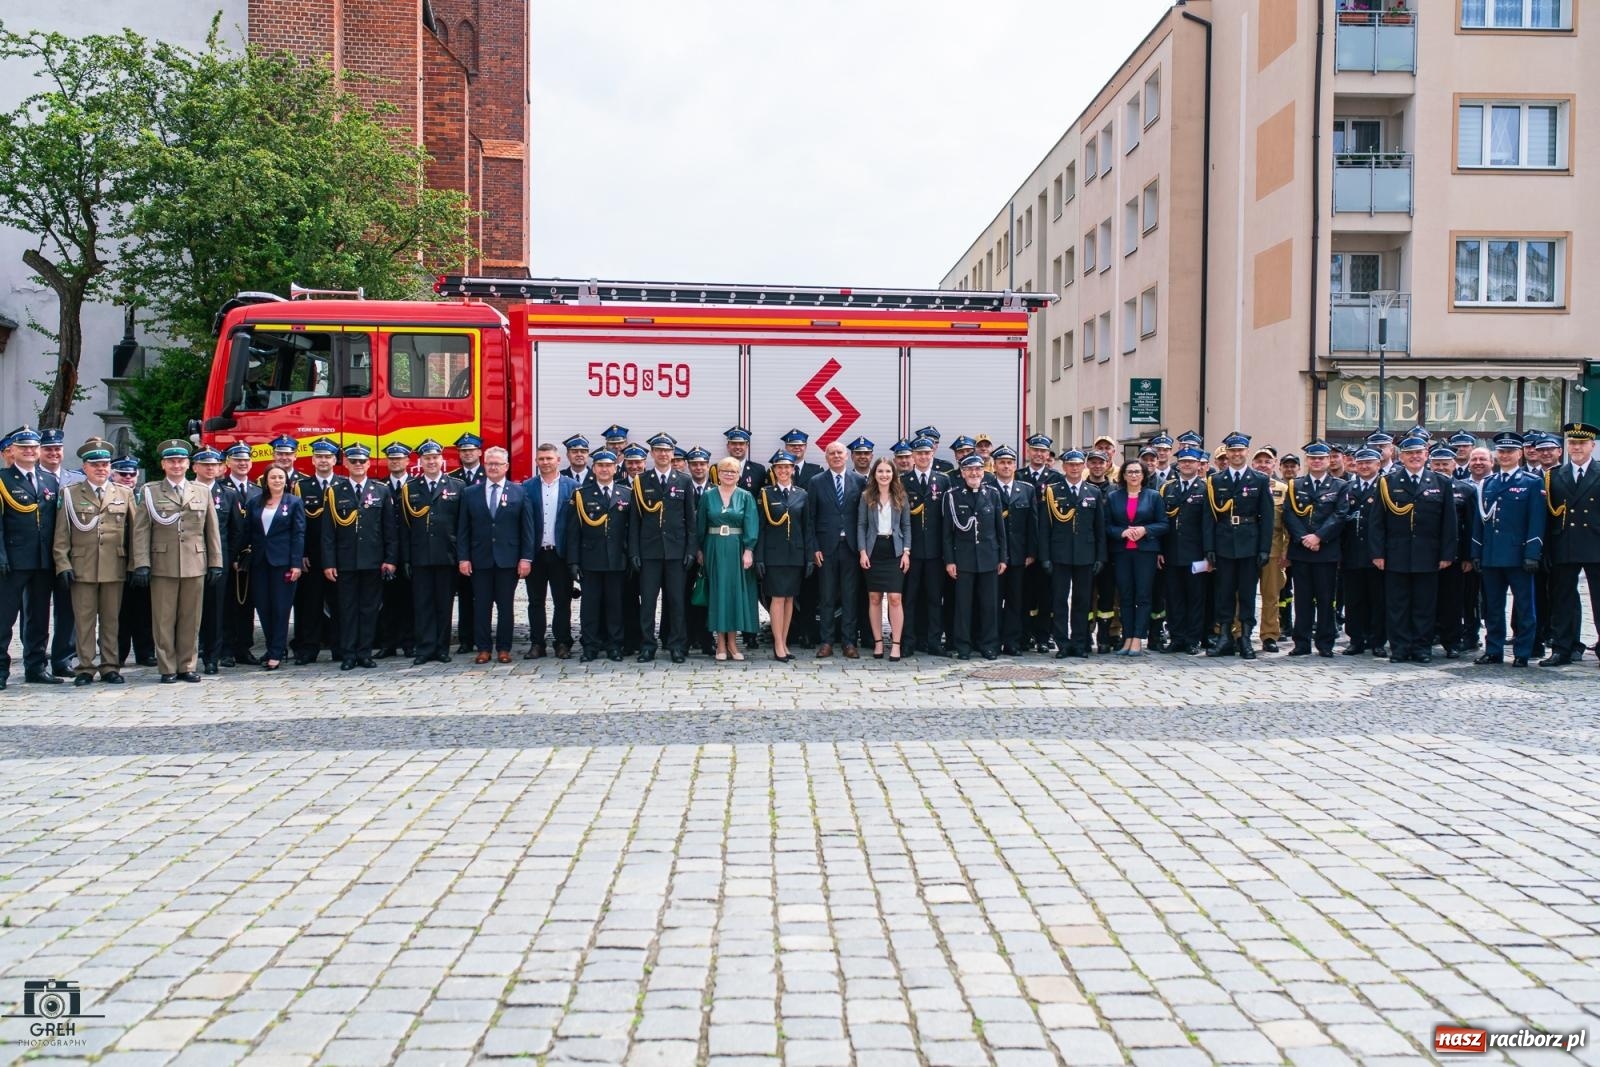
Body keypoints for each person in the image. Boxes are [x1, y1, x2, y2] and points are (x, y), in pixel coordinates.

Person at [130, 439, 223, 683]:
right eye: (171, 461)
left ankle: (187, 665)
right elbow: (141, 531)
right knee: (163, 619)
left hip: (195, 562)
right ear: (163, 464)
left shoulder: (201, 491)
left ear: (188, 464)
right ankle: (167, 667)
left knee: (191, 618)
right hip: (163, 563)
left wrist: (215, 562)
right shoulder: (150, 492)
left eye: (180, 461)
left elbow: (211, 529)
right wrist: (141, 562)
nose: (176, 465)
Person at [1369, 433, 1458, 664]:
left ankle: (1421, 648)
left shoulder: (1441, 483)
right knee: (1397, 605)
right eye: (1409, 454)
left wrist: (1447, 554)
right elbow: (1377, 522)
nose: (1414, 457)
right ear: (1402, 456)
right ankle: (1399, 648)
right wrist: (1378, 553)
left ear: (1426, 455)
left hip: (1428, 554)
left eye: (1418, 453)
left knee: (1424, 605)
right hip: (1395, 553)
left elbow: (1449, 523)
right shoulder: (1388, 482)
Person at [51, 438, 132, 685]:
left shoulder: (124, 493)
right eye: (95, 464)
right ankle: (85, 667)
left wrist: (135, 564)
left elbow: (134, 535)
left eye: (105, 464)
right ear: (84, 467)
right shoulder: (70, 494)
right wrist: (62, 564)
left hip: (114, 566)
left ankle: (110, 666)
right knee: (84, 620)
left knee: (111, 620)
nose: (101, 469)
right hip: (82, 567)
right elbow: (61, 535)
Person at [1472, 432, 1544, 667]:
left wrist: (1532, 553)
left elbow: (1536, 520)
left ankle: (1523, 652)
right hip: (1492, 554)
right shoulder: (1489, 483)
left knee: (1524, 606)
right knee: (1492, 606)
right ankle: (1494, 650)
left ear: (1519, 454)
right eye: (1501, 451)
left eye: (1510, 451)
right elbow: (1479, 521)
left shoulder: (1531, 483)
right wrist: (1476, 552)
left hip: (1518, 555)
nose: (1504, 455)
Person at [457, 445, 532, 664]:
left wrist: (525, 558)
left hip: (508, 559)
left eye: (498, 464)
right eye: (489, 463)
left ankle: (504, 648)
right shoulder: (471, 493)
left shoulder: (519, 491)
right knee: (481, 605)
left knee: (506, 606)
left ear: (506, 466)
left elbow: (526, 528)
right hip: (480, 559)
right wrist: (464, 557)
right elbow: (463, 529)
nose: (493, 467)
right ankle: (483, 648)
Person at [0, 426, 62, 689]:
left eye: (33, 447)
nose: (29, 451)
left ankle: (36, 667)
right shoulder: (3, 479)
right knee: (4, 618)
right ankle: (1, 671)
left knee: (38, 617)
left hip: (42, 560)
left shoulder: (48, 480)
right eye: (23, 447)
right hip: (12, 561)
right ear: (11, 451)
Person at [1206, 432, 1275, 659]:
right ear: (1227, 453)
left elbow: (1267, 517)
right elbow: (1210, 518)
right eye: (1232, 450)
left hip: (1250, 542)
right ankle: (1225, 636)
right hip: (1224, 542)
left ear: (1246, 452)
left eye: (1240, 450)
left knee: (1247, 592)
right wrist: (1210, 548)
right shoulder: (1216, 480)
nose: (1236, 454)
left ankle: (1245, 637)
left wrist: (1264, 548)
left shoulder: (1260, 480)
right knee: (1224, 592)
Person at [631, 432, 697, 663]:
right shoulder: (641, 481)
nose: (662, 454)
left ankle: (677, 645)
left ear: (672, 454)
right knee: (648, 602)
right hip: (649, 553)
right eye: (658, 450)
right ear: (652, 453)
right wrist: (634, 552)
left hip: (676, 553)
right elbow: (635, 521)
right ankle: (647, 645)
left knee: (677, 601)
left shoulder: (684, 481)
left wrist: (690, 550)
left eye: (667, 450)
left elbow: (691, 521)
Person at [399, 439, 464, 665]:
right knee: (422, 605)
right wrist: (406, 558)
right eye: (427, 458)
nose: (431, 462)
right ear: (420, 462)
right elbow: (405, 528)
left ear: (441, 459)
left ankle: (441, 648)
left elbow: (462, 526)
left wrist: (461, 555)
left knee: (444, 605)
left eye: (435, 457)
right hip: (420, 556)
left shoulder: (457, 487)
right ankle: (425, 648)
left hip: (447, 555)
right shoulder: (409, 489)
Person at [1281, 442, 1349, 658]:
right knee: (1302, 599)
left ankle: (1325, 642)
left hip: (1326, 550)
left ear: (1329, 460)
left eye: (1321, 458)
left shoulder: (1339, 486)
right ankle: (1301, 642)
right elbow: (1289, 514)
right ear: (1307, 461)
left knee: (1325, 598)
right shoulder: (1295, 485)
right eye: (1312, 458)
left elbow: (1340, 515)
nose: (1317, 461)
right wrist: (1305, 538)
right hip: (1302, 550)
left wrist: (1319, 536)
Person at [1039, 449, 1106, 658]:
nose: (1074, 468)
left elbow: (1099, 528)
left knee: (1082, 600)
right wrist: (1045, 557)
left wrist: (1100, 557)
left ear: (1083, 466)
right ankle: (1062, 643)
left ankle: (1079, 642)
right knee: (1059, 600)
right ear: (1064, 467)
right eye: (1070, 464)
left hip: (1085, 554)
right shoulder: (1052, 491)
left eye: (1078, 464)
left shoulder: (1093, 491)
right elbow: (1044, 528)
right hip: (1060, 554)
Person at [1544, 421, 1600, 666]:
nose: (1576, 447)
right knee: (1562, 598)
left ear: (1593, 446)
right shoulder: (1555, 475)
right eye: (1573, 443)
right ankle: (1562, 648)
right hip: (1564, 542)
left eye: (1581, 443)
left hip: (1596, 543)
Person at [568, 449, 630, 661]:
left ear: (615, 468)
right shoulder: (581, 494)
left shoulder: (626, 494)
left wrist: (630, 556)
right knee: (590, 606)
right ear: (593, 469)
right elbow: (573, 531)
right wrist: (573, 561)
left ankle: (615, 645)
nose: (604, 469)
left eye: (608, 466)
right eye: (600, 466)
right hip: (590, 560)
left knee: (616, 605)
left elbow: (631, 530)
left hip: (617, 560)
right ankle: (590, 646)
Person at [943, 453, 1006, 659]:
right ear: (962, 472)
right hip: (964, 559)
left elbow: (1000, 529)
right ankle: (963, 646)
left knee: (989, 605)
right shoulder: (952, 496)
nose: (974, 473)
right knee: (963, 605)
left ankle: (988, 645)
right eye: (969, 469)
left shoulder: (993, 494)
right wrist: (950, 560)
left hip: (989, 557)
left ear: (984, 471)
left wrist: (1002, 557)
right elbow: (947, 533)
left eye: (978, 469)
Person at [698, 456, 760, 660]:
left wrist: (749, 549)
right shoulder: (708, 496)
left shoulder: (745, 496)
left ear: (738, 475)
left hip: (736, 548)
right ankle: (720, 644)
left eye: (733, 471)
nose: (728, 474)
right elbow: (701, 525)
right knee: (718, 593)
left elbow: (751, 523)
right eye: (725, 470)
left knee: (734, 594)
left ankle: (733, 643)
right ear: (718, 473)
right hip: (714, 547)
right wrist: (700, 550)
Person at [808, 441, 865, 658]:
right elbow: (810, 518)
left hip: (851, 547)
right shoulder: (816, 482)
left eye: (840, 452)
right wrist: (814, 547)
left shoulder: (859, 481)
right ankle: (826, 642)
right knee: (827, 597)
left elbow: (863, 517)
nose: (836, 456)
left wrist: (862, 548)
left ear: (847, 455)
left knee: (850, 596)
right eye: (832, 453)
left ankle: (849, 642)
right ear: (826, 457)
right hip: (826, 548)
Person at [1105, 458, 1168, 656]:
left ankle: (1138, 639)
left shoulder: (1154, 496)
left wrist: (1144, 529)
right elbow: (1106, 525)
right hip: (1122, 552)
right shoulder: (1114, 497)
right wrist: (1121, 532)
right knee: (1125, 595)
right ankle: (1127, 637)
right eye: (1130, 472)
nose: (1133, 475)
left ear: (1143, 475)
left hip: (1145, 552)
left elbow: (1164, 524)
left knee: (1143, 595)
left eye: (1137, 472)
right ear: (1123, 475)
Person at [754, 452, 813, 663]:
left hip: (795, 555)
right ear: (774, 471)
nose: (783, 471)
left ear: (793, 470)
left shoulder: (802, 494)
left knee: (789, 599)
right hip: (774, 556)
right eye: (779, 467)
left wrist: (809, 558)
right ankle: (778, 644)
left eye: (787, 467)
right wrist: (759, 557)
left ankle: (784, 641)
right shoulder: (765, 494)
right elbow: (760, 528)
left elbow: (808, 529)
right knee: (778, 598)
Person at [193, 448, 247, 674]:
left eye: (213, 465)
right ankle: (188, 653)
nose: (209, 468)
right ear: (194, 467)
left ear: (220, 467)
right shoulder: (187, 491)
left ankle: (212, 656)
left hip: (219, 561)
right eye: (204, 464)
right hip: (189, 560)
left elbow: (236, 530)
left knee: (216, 610)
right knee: (190, 609)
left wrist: (228, 557)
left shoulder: (227, 494)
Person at [246, 465, 305, 670]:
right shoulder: (255, 502)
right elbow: (248, 532)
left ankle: (277, 651)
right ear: (266, 480)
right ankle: (273, 647)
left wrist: (296, 563)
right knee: (263, 607)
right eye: (273, 477)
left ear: (286, 480)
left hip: (283, 562)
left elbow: (298, 534)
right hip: (260, 562)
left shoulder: (294, 502)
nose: (277, 480)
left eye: (281, 477)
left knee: (281, 608)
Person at [523, 442, 577, 660]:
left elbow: (575, 526)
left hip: (560, 553)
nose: (545, 462)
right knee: (535, 601)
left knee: (562, 601)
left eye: (549, 458)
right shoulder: (526, 487)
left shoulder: (571, 486)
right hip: (536, 553)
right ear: (536, 461)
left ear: (558, 460)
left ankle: (562, 642)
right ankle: (537, 643)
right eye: (541, 459)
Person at [1157, 446, 1213, 656]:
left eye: (1191, 461)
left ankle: (1193, 639)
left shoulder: (1206, 488)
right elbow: (1163, 521)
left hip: (1196, 553)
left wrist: (1209, 553)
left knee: (1196, 597)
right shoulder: (1168, 488)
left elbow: (1209, 524)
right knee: (1174, 598)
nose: (1187, 464)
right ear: (1178, 464)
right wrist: (1159, 550)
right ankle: (1177, 637)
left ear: (1199, 465)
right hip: (1172, 552)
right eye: (1183, 461)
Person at [856, 455, 911, 661]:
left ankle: (895, 644)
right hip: (873, 550)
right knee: (874, 597)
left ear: (893, 474)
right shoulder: (866, 496)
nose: (884, 475)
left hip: (894, 550)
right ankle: (878, 643)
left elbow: (906, 526)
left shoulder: (901, 496)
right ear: (874, 474)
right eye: (880, 471)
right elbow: (861, 525)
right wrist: (862, 551)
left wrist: (906, 552)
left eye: (888, 471)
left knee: (895, 599)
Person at [292, 438, 340, 664]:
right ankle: (308, 649)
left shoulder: (343, 485)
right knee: (309, 605)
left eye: (327, 457)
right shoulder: (302, 487)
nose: (323, 461)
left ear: (334, 460)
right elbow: (298, 524)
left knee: (339, 605)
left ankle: (340, 647)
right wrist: (300, 554)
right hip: (310, 557)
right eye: (319, 457)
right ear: (312, 460)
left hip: (338, 557)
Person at [902, 437, 949, 655]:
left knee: (934, 598)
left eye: (927, 453)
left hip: (935, 551)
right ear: (913, 456)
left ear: (932, 454)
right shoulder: (903, 481)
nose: (923, 457)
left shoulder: (942, 480)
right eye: (919, 453)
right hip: (911, 551)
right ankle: (908, 641)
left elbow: (947, 519)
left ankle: (933, 641)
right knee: (909, 598)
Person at [989, 447, 1037, 656]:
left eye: (1009, 462)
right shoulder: (987, 488)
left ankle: (1012, 642)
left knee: (1015, 600)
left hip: (1018, 556)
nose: (1006, 466)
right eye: (1001, 462)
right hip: (993, 555)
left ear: (1015, 465)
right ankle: (993, 640)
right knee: (993, 600)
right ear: (995, 465)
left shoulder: (1026, 489)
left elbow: (1032, 525)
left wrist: (1031, 552)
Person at [38, 428, 78, 677]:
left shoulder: (75, 480)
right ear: (40, 452)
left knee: (68, 610)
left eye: (57, 449)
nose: (53, 453)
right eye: (48, 449)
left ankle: (64, 659)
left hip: (69, 556)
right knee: (37, 612)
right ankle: (37, 660)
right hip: (39, 556)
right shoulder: (33, 478)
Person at [1339, 447, 1387, 656]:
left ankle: (1377, 640)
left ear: (1378, 465)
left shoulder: (1385, 486)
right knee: (1354, 599)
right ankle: (1356, 639)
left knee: (1378, 599)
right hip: (1352, 552)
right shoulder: (1348, 487)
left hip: (1375, 553)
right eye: (1361, 463)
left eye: (1369, 462)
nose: (1365, 466)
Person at [1431, 444, 1476, 659]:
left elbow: (1470, 526)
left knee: (1453, 601)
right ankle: (1429, 635)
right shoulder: (1424, 487)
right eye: (1436, 463)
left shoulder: (1466, 490)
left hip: (1456, 556)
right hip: (1428, 554)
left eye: (1445, 464)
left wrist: (1468, 556)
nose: (1440, 467)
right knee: (1427, 599)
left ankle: (1452, 641)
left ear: (1454, 464)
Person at [110, 457, 156, 668]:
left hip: (144, 561)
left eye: (131, 474)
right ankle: (118, 653)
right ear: (113, 474)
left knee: (144, 610)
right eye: (122, 474)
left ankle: (145, 652)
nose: (127, 478)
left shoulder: (145, 496)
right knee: (120, 612)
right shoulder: (109, 495)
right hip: (117, 562)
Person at [221, 443, 262, 665]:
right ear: (228, 463)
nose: (242, 463)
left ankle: (244, 648)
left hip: (251, 557)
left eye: (246, 460)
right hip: (229, 557)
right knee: (228, 604)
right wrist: (232, 556)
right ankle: (226, 648)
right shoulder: (221, 489)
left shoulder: (257, 491)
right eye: (237, 460)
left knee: (247, 604)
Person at [377, 442, 416, 659]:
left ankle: (409, 642)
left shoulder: (415, 485)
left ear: (407, 461)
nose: (395, 462)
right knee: (388, 601)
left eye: (399, 458)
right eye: (391, 458)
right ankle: (388, 643)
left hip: (411, 552)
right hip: (386, 553)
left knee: (410, 601)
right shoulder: (380, 487)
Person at [451, 431, 486, 652]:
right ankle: (465, 639)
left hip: (484, 545)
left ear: (479, 452)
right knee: (464, 595)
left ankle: (483, 636)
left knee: (484, 596)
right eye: (463, 451)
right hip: (462, 545)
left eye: (471, 450)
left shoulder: (491, 474)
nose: (467, 454)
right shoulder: (453, 478)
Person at [683, 446, 715, 654]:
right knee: (684, 595)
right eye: (694, 464)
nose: (698, 467)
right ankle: (685, 637)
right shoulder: (681, 486)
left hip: (709, 551)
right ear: (688, 466)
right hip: (684, 551)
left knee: (707, 595)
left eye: (702, 464)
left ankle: (706, 639)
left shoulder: (716, 491)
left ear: (708, 466)